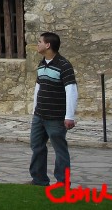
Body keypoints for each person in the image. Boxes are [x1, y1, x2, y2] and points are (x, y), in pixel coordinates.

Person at [28, 31, 78, 186]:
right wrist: (35, 109)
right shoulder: (42, 64)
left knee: (60, 150)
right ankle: (39, 179)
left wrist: (69, 116)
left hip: (55, 117)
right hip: (39, 115)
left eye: (39, 42)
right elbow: (38, 87)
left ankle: (63, 182)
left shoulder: (64, 65)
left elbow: (71, 90)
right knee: (36, 146)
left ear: (48, 45)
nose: (38, 44)